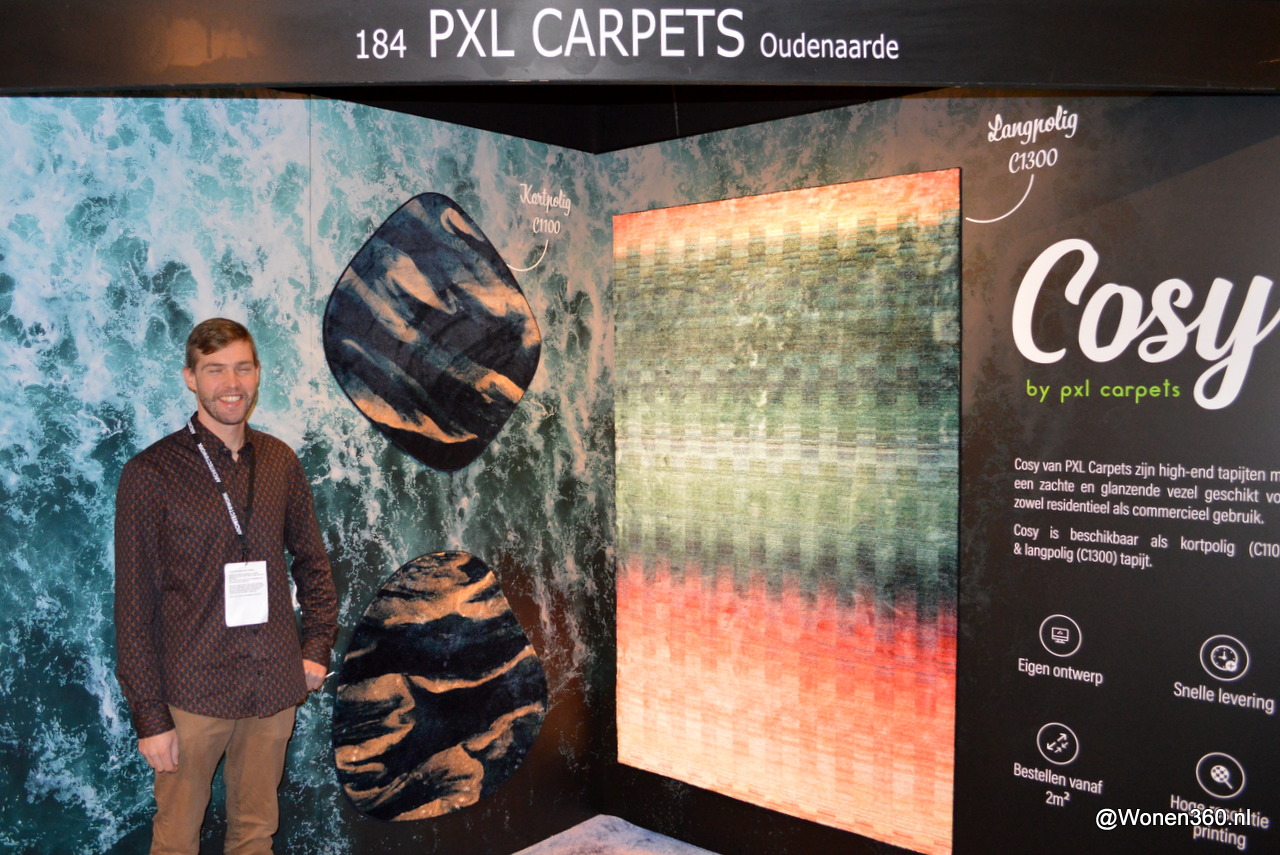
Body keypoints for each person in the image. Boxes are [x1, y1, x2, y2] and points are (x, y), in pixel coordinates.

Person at [114, 318, 338, 854]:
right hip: (192, 692)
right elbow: (133, 608)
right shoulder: (150, 473)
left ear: (257, 374)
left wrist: (315, 646)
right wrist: (150, 718)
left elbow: (313, 563)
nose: (231, 383)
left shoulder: (280, 460)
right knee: (176, 839)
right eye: (215, 370)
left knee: (255, 832)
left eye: (242, 368)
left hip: (273, 684)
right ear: (191, 378)